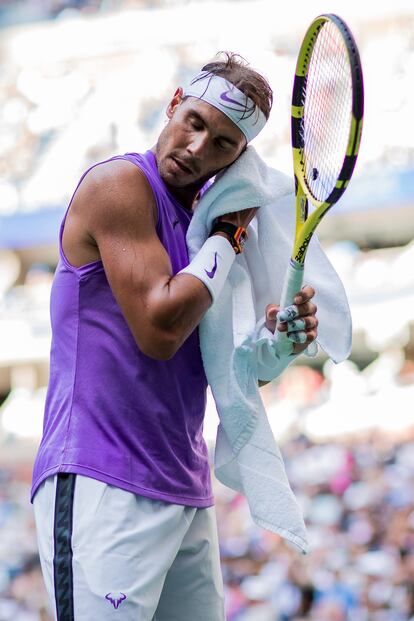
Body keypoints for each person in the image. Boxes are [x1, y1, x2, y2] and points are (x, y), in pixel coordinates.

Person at [31, 52, 318, 620]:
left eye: (221, 145)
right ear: (173, 105)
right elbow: (160, 329)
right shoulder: (120, 185)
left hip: (184, 488)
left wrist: (280, 342)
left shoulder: (206, 220)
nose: (196, 148)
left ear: (238, 158)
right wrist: (229, 238)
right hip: (99, 477)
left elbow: (230, 364)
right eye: (195, 122)